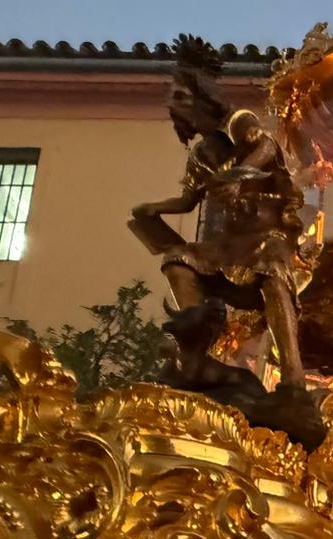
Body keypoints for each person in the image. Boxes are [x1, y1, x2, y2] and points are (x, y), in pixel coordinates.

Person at [130, 34, 310, 390]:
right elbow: (188, 201)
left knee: (272, 271)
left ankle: (293, 375)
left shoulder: (239, 122)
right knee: (178, 260)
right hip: (225, 244)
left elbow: (266, 148)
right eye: (173, 100)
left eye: (181, 97)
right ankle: (196, 352)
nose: (176, 106)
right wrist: (152, 209)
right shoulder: (200, 156)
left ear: (202, 99)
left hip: (267, 235)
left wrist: (239, 177)